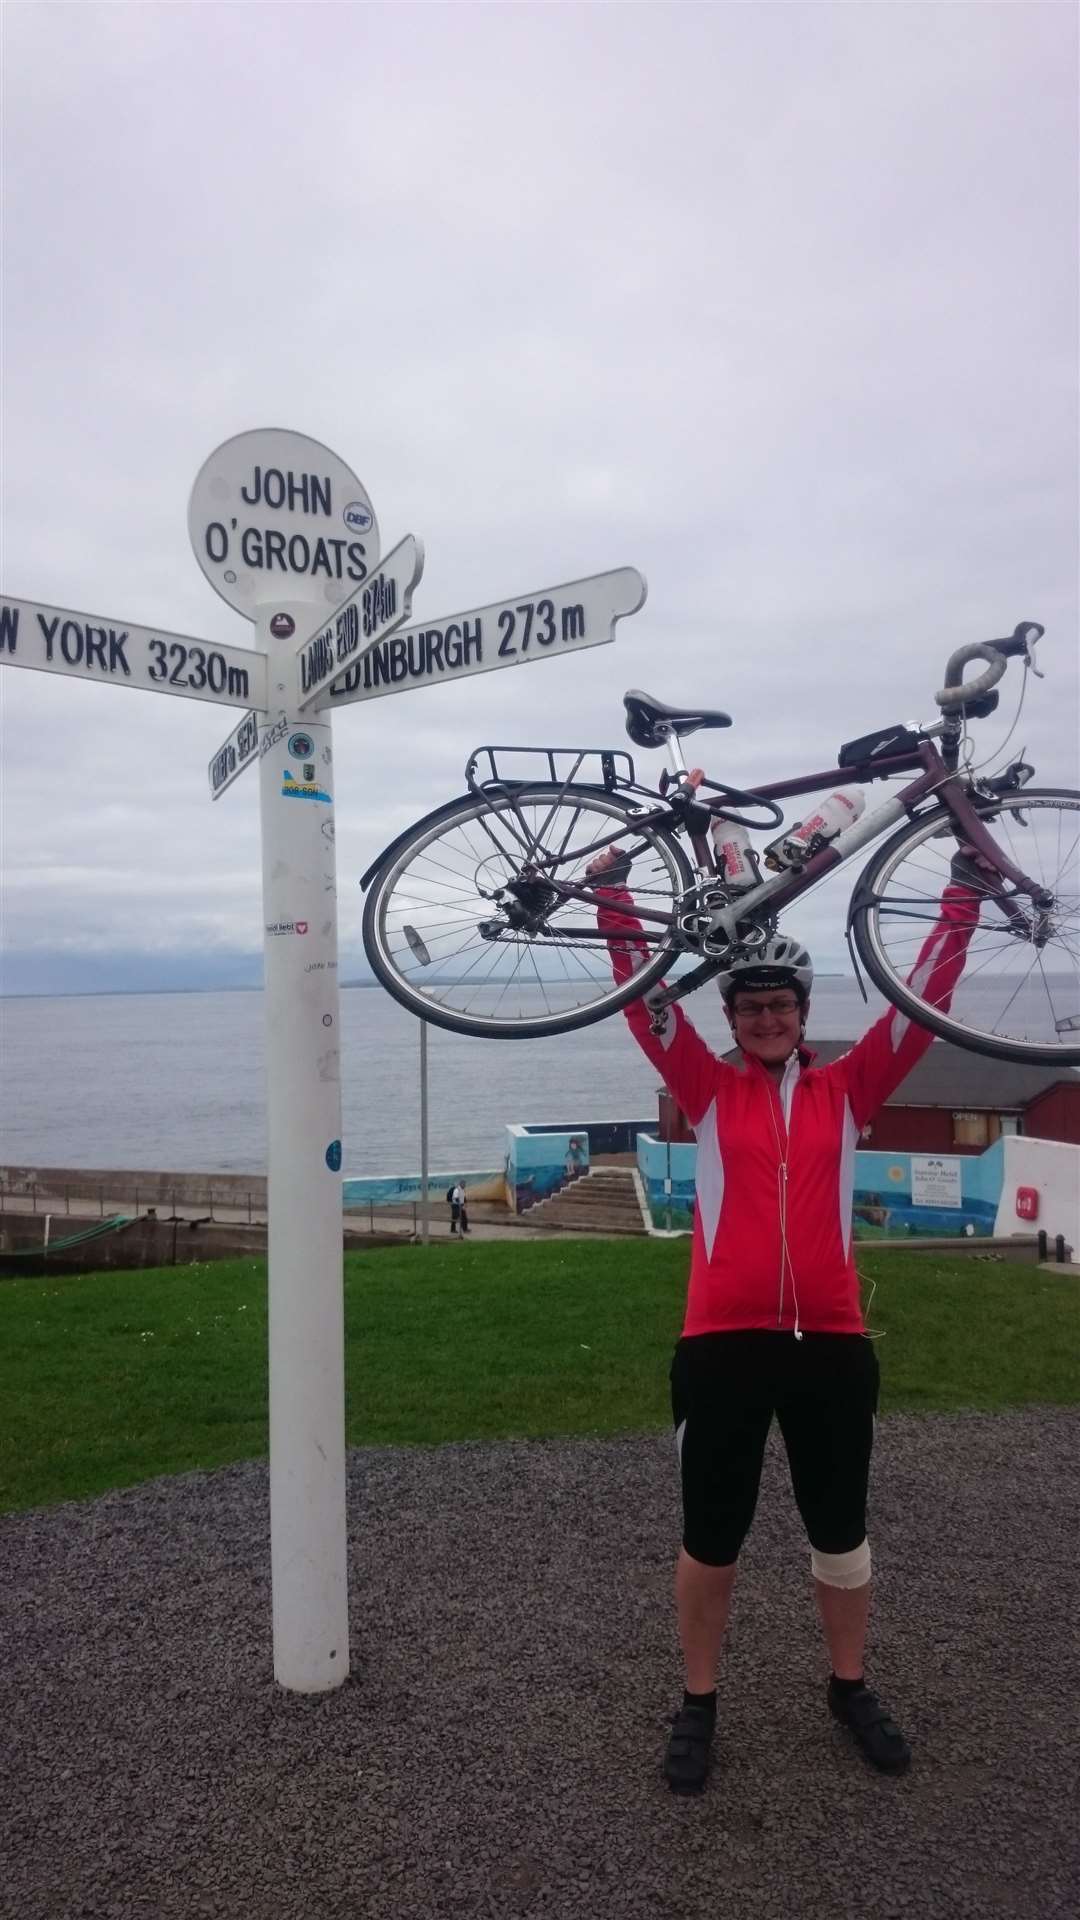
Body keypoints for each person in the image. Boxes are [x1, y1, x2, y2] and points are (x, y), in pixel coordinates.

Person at [586, 842, 982, 1794]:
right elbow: (644, 998)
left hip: (834, 1344)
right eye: (751, 1006)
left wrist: (962, 891)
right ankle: (698, 1703)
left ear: (804, 1016)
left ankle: (848, 1688)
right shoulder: (706, 1089)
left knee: (839, 1529)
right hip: (720, 1345)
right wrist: (612, 897)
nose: (767, 1018)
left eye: (782, 1005)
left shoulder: (852, 1089)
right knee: (711, 1534)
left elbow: (926, 997)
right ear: (730, 1019)